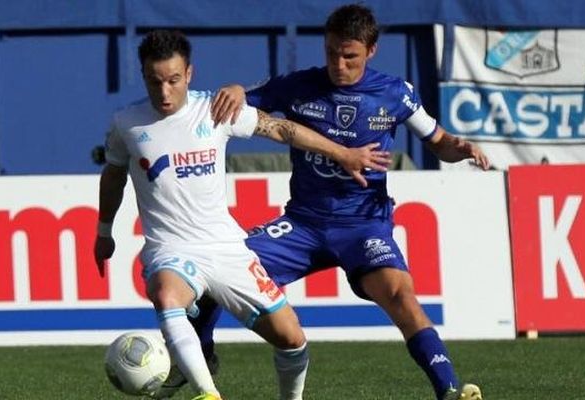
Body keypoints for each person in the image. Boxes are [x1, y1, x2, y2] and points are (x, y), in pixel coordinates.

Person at [186, 4, 491, 400]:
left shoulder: (395, 94)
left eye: (350, 56)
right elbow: (250, 99)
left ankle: (449, 390)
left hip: (364, 226)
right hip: (303, 224)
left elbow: (440, 142)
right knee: (218, 273)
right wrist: (238, 89)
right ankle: (202, 356)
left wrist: (461, 147)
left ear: (371, 51)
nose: (339, 64)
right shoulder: (299, 86)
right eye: (332, 52)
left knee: (401, 295)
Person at [93, 29, 391, 400]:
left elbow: (282, 129)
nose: (165, 92)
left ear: (189, 74)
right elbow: (114, 175)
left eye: (173, 80)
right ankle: (207, 394)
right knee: (167, 295)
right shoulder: (126, 122)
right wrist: (104, 231)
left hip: (227, 248)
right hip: (170, 248)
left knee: (291, 338)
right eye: (156, 83)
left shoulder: (216, 110)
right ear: (144, 77)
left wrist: (343, 154)